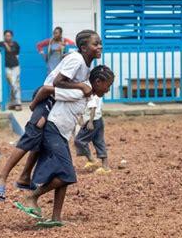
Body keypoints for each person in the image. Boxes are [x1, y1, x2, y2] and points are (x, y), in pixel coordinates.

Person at [0, 30, 102, 202]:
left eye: (100, 43)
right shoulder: (77, 60)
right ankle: (2, 175)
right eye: (95, 44)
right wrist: (81, 86)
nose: (99, 46)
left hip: (55, 98)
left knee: (39, 137)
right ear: (84, 48)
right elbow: (58, 82)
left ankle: (25, 176)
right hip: (48, 96)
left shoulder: (86, 64)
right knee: (32, 135)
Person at [14, 65, 115, 228]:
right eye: (108, 85)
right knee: (68, 174)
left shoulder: (88, 95)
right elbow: (48, 90)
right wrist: (33, 106)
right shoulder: (79, 91)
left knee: (64, 175)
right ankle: (31, 197)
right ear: (98, 82)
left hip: (60, 134)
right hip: (52, 131)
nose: (109, 89)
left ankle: (56, 218)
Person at [75, 94, 110, 173]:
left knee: (79, 140)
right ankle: (105, 166)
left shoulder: (90, 93)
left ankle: (91, 160)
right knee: (99, 141)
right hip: (98, 119)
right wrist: (81, 117)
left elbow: (93, 107)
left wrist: (90, 122)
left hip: (92, 121)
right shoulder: (93, 92)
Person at [0, 30, 22, 111]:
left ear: (12, 36)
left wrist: (6, 45)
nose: (7, 37)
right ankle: (13, 103)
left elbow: (14, 51)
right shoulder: (2, 44)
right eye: (6, 35)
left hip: (16, 66)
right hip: (7, 67)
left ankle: (18, 103)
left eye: (9, 36)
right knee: (12, 85)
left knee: (16, 85)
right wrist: (2, 44)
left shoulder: (15, 44)